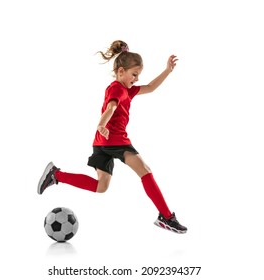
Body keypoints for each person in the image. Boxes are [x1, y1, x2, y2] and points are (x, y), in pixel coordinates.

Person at [37, 40, 187, 234]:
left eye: (138, 75)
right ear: (121, 71)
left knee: (101, 186)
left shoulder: (128, 90)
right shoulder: (116, 88)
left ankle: (56, 175)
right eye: (134, 74)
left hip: (102, 143)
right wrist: (102, 124)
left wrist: (167, 70)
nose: (136, 78)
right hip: (115, 140)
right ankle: (166, 217)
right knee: (145, 171)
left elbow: (150, 87)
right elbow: (111, 107)